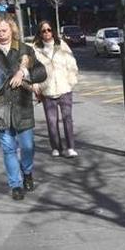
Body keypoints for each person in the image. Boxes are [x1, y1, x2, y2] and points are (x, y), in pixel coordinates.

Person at [0, 13, 47, 200]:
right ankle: (16, 185)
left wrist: (24, 72)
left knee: (27, 146)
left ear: (12, 29)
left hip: (22, 105)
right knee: (8, 148)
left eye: (4, 30)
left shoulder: (24, 49)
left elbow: (41, 72)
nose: (1, 34)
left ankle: (27, 172)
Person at [31, 20, 79, 158]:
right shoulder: (35, 49)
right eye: (43, 31)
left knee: (67, 118)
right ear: (39, 33)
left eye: (49, 30)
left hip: (64, 89)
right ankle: (56, 147)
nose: (47, 33)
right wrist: (37, 87)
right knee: (52, 121)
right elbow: (32, 70)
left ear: (53, 31)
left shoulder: (61, 45)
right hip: (47, 90)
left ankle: (70, 147)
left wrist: (71, 82)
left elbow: (72, 64)